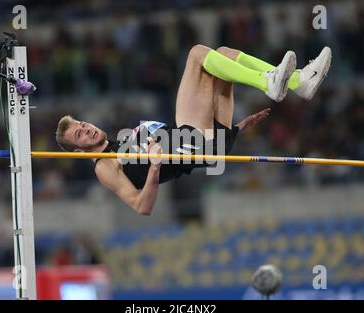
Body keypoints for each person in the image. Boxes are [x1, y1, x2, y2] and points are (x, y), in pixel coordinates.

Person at [55, 44, 332, 215]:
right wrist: (153, 168)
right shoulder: (104, 166)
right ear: (78, 151)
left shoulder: (120, 142)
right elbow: (142, 207)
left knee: (224, 54)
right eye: (79, 134)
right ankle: (271, 82)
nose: (86, 129)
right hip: (196, 141)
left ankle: (298, 82)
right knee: (197, 54)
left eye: (82, 124)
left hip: (210, 142)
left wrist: (236, 129)